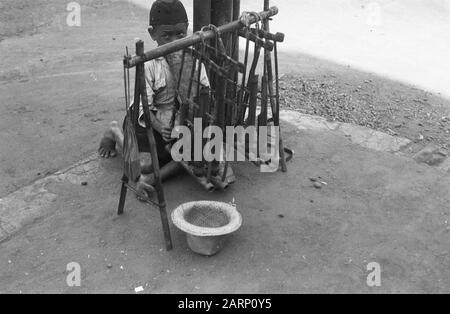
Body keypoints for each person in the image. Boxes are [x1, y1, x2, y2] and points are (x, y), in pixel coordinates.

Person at [98, 0, 209, 196]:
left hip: (177, 121)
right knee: (144, 164)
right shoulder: (149, 64)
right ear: (152, 33)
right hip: (149, 120)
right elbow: (143, 106)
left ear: (187, 30)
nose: (174, 40)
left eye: (180, 34)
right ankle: (115, 132)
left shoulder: (194, 60)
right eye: (166, 35)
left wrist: (193, 122)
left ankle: (152, 179)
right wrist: (159, 126)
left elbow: (203, 94)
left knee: (198, 152)